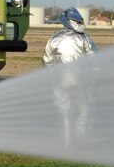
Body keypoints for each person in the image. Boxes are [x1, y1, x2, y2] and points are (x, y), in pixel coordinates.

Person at [42, 8, 98, 147]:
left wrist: (51, 80)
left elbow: (47, 61)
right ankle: (81, 140)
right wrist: (94, 78)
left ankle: (66, 142)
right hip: (82, 82)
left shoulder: (53, 38)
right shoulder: (85, 38)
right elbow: (95, 61)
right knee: (84, 109)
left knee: (64, 112)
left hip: (60, 82)